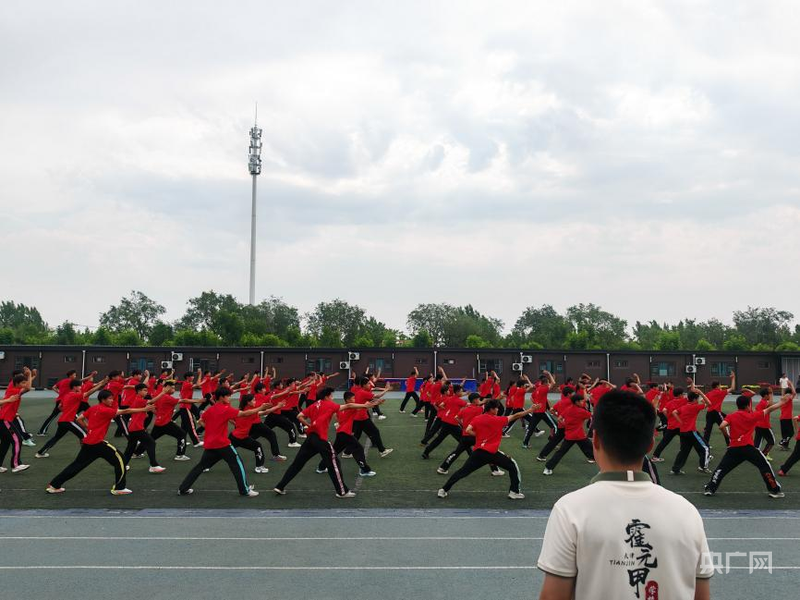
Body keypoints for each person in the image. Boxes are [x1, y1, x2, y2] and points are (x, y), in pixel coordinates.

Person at [537, 389, 713, 600]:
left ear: (596, 441)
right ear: (650, 445)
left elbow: (553, 596)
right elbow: (702, 595)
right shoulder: (687, 511)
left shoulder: (570, 509)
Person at [273, 387, 383, 498]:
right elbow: (349, 406)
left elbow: (299, 416)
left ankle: (280, 486)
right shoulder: (329, 404)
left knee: (297, 464)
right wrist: (366, 406)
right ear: (327, 396)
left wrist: (309, 426)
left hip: (310, 438)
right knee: (334, 463)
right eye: (331, 396)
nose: (332, 398)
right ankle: (342, 491)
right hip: (321, 439)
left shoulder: (315, 404)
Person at [46, 390, 154, 495]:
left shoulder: (93, 408)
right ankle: (119, 488)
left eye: (112, 398)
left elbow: (79, 418)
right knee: (121, 460)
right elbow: (125, 411)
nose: (112, 400)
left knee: (76, 466)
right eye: (110, 399)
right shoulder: (105, 410)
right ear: (103, 400)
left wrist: (89, 428)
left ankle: (54, 485)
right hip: (98, 443)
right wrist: (144, 409)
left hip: (88, 443)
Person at [178, 387, 272, 497]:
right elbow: (244, 414)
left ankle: (183, 489)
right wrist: (260, 407)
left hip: (210, 444)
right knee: (237, 464)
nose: (230, 398)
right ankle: (244, 490)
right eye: (228, 396)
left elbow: (201, 421)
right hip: (222, 444)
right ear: (221, 397)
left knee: (200, 466)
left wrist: (211, 429)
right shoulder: (225, 409)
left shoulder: (210, 410)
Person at [704, 389, 793, 499]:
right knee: (764, 466)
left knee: (721, 468)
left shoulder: (731, 416)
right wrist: (783, 402)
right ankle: (775, 490)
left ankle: (710, 488)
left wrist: (727, 435)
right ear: (747, 406)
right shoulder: (752, 416)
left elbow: (722, 426)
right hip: (748, 448)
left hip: (734, 448)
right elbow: (769, 409)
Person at [437, 399, 533, 500]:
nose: (497, 410)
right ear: (491, 409)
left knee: (462, 472)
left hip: (478, 452)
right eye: (496, 408)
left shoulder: (477, 418)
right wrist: (529, 410)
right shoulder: (498, 420)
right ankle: (514, 492)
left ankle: (443, 490)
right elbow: (515, 416)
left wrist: (478, 436)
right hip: (492, 453)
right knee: (512, 465)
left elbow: (468, 430)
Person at [35, 377, 107, 458]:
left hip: (62, 421)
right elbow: (88, 393)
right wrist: (100, 385)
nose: (81, 387)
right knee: (85, 435)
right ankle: (85, 455)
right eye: (79, 386)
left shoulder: (67, 395)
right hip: (69, 421)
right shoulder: (74, 395)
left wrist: (68, 410)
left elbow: (59, 407)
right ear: (74, 387)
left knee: (56, 437)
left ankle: (40, 453)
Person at [437, 393, 502, 477]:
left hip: (465, 435)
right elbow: (490, 407)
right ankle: (495, 470)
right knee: (488, 451)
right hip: (476, 436)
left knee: (456, 452)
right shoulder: (479, 409)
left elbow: (456, 417)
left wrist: (463, 425)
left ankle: (443, 468)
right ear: (475, 400)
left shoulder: (464, 409)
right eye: (478, 399)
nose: (479, 400)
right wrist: (497, 398)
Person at [316, 391, 378, 477]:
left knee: (333, 452)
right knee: (358, 449)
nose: (355, 399)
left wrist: (373, 403)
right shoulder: (350, 407)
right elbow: (360, 407)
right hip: (345, 433)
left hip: (340, 433)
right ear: (348, 400)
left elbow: (360, 407)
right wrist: (373, 403)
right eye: (353, 398)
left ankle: (321, 467)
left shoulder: (340, 408)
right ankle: (365, 470)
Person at [229, 394, 286, 474]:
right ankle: (259, 467)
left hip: (237, 436)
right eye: (253, 400)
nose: (255, 401)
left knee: (223, 451)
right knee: (257, 446)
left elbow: (263, 412)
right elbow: (264, 411)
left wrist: (236, 424)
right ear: (248, 402)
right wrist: (276, 406)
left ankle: (205, 465)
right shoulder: (247, 411)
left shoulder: (246, 410)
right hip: (239, 437)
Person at [542, 394, 594, 476]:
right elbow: (591, 416)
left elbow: (559, 418)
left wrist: (566, 425)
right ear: (577, 402)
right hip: (580, 436)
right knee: (594, 448)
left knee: (560, 452)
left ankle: (548, 468)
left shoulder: (568, 409)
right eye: (581, 401)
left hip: (569, 436)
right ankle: (604, 464)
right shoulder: (582, 411)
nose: (583, 402)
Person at [121, 384, 167, 472]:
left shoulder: (138, 399)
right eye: (144, 390)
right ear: (138, 391)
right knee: (151, 443)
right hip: (136, 428)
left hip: (133, 427)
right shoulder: (139, 400)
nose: (146, 392)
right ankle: (153, 465)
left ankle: (122, 465)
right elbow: (152, 401)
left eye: (147, 390)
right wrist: (163, 392)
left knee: (130, 448)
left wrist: (144, 413)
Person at [669, 388, 711, 475]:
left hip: (683, 432)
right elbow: (709, 403)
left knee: (683, 451)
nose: (699, 400)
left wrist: (680, 422)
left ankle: (675, 469)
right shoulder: (695, 407)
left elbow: (674, 412)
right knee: (706, 448)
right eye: (698, 399)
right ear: (695, 399)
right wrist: (701, 392)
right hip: (691, 432)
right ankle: (703, 467)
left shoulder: (684, 407)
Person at [0, 369, 35, 473]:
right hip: (4, 420)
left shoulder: (14, 388)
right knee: (17, 440)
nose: (25, 384)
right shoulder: (14, 390)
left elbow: (26, 386)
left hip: (5, 419)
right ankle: (16, 465)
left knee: (5, 443)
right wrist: (29, 375)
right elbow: (28, 388)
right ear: (16, 383)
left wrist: (29, 376)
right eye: (22, 383)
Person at [352, 377, 394, 457]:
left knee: (357, 435)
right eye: (368, 383)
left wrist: (376, 402)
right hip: (362, 417)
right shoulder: (363, 392)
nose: (369, 385)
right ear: (364, 385)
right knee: (375, 431)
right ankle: (382, 450)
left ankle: (347, 452)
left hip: (358, 416)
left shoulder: (360, 391)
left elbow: (367, 402)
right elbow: (378, 396)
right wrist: (387, 389)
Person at [150, 380, 191, 461]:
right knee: (182, 434)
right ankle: (180, 455)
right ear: (165, 388)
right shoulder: (167, 397)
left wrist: (159, 415)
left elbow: (153, 407)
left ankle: (137, 452)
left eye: (174, 388)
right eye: (172, 388)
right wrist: (199, 400)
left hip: (159, 422)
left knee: (150, 439)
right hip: (165, 423)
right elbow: (183, 400)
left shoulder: (158, 396)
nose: (174, 390)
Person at [650, 387, 687, 462]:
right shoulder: (684, 400)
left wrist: (668, 418)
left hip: (671, 426)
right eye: (682, 394)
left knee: (664, 441)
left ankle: (655, 456)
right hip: (680, 426)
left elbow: (664, 410)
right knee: (691, 440)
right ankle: (705, 455)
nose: (683, 395)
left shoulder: (670, 402)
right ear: (680, 395)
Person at [702, 371, 734, 446]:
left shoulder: (709, 393)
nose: (721, 386)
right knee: (725, 427)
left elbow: (702, 400)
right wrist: (733, 378)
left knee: (708, 431)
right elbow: (732, 388)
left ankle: (705, 445)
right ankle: (729, 444)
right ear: (717, 386)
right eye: (720, 385)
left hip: (709, 413)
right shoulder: (720, 392)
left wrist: (708, 404)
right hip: (716, 412)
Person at [753, 387, 778, 460]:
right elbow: (771, 404)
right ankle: (764, 455)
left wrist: (770, 393)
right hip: (764, 426)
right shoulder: (764, 403)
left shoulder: (761, 402)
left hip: (758, 425)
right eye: (768, 395)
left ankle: (753, 455)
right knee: (771, 441)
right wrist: (771, 393)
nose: (769, 396)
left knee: (757, 442)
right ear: (765, 395)